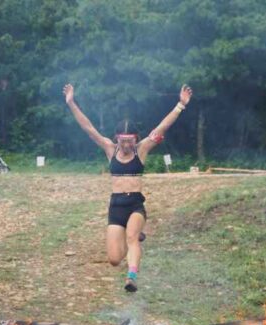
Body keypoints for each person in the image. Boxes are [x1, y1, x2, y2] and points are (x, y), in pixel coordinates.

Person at [63, 83, 192, 293]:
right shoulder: (109, 149)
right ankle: (134, 240)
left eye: (130, 141)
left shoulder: (141, 150)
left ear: (136, 139)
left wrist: (180, 105)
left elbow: (162, 126)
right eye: (123, 141)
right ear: (116, 139)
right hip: (116, 207)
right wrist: (71, 102)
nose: (126, 145)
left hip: (135, 205)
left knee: (132, 237)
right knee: (114, 259)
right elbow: (88, 128)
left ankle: (131, 277)